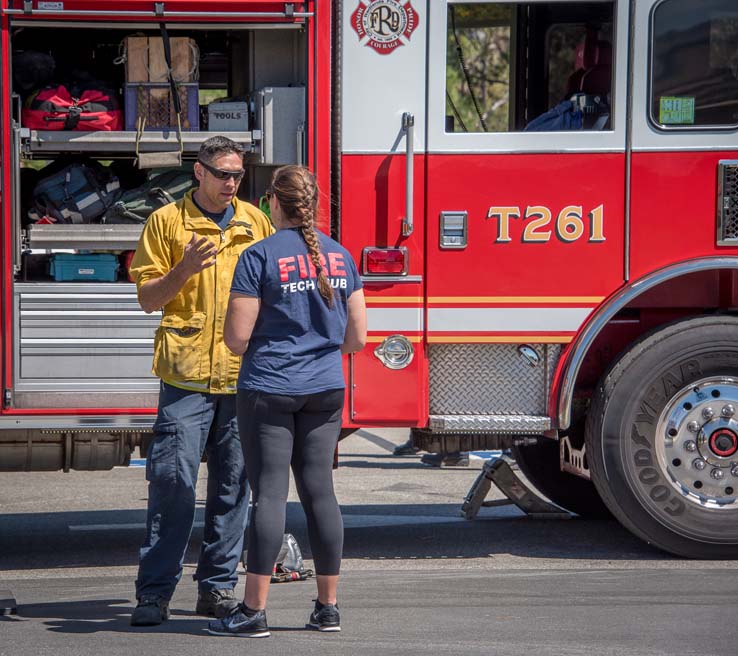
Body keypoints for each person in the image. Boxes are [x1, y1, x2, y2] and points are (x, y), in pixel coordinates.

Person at [207, 165, 366, 638]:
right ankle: (328, 608)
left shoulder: (258, 257)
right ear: (314, 204)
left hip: (269, 388)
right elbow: (357, 338)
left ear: (273, 203)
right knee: (321, 492)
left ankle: (253, 612)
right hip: (325, 389)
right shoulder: (340, 257)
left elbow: (236, 339)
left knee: (270, 495)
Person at [128, 136, 274, 627]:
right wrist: (184, 268)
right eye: (222, 174)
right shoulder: (166, 223)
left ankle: (216, 590)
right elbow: (148, 299)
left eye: (237, 175)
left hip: (241, 378)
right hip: (186, 377)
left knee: (233, 487)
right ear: (199, 172)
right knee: (172, 483)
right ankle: (153, 593)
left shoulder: (256, 223)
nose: (231, 183)